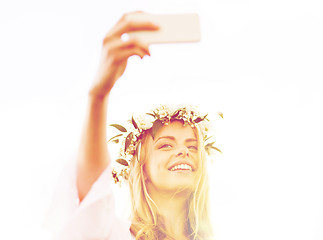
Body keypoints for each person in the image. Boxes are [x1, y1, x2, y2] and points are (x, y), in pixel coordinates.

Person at [46, 12, 218, 240]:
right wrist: (98, 95)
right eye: (166, 145)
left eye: (193, 146)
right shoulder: (117, 234)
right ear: (142, 168)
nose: (184, 151)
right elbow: (91, 202)